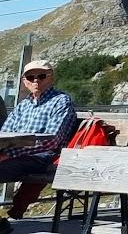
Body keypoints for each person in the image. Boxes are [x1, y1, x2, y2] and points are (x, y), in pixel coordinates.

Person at [0, 60, 76, 234]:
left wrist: (9, 154)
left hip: (44, 158)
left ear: (51, 78)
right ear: (24, 81)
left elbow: (52, 141)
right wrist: (5, 151)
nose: (36, 81)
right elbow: (5, 134)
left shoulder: (60, 101)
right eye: (30, 76)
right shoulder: (23, 105)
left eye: (41, 76)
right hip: (18, 156)